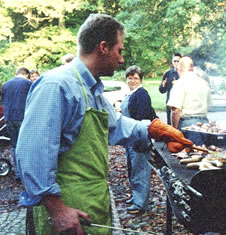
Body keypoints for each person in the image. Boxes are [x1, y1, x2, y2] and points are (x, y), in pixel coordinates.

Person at [15, 14, 192, 235]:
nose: (121, 60)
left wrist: (152, 129)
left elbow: (115, 126)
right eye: (119, 51)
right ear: (103, 47)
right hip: (65, 213)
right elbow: (32, 152)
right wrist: (57, 209)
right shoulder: (57, 85)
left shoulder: (93, 89)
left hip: (92, 204)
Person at [120, 65, 153, 214]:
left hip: (139, 138)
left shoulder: (142, 95)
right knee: (132, 169)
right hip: (130, 138)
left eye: (135, 78)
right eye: (130, 77)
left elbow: (144, 119)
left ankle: (140, 204)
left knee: (140, 170)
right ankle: (135, 196)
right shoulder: (131, 94)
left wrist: (142, 140)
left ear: (140, 79)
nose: (132, 80)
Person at [1, 67, 32, 180]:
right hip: (22, 117)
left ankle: (18, 172)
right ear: (26, 74)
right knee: (26, 145)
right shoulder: (28, 83)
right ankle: (27, 172)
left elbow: (4, 100)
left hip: (9, 118)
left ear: (16, 73)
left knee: (15, 145)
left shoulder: (6, 84)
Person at [167, 56, 212, 130]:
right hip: (204, 123)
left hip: (188, 124)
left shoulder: (180, 83)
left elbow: (176, 110)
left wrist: (174, 131)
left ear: (179, 69)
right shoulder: (204, 83)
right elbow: (209, 106)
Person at [159, 52, 181, 125]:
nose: (176, 63)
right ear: (172, 61)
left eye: (178, 61)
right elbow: (162, 90)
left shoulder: (184, 73)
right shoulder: (168, 73)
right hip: (170, 102)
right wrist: (163, 85)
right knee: (170, 125)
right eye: (175, 61)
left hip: (181, 103)